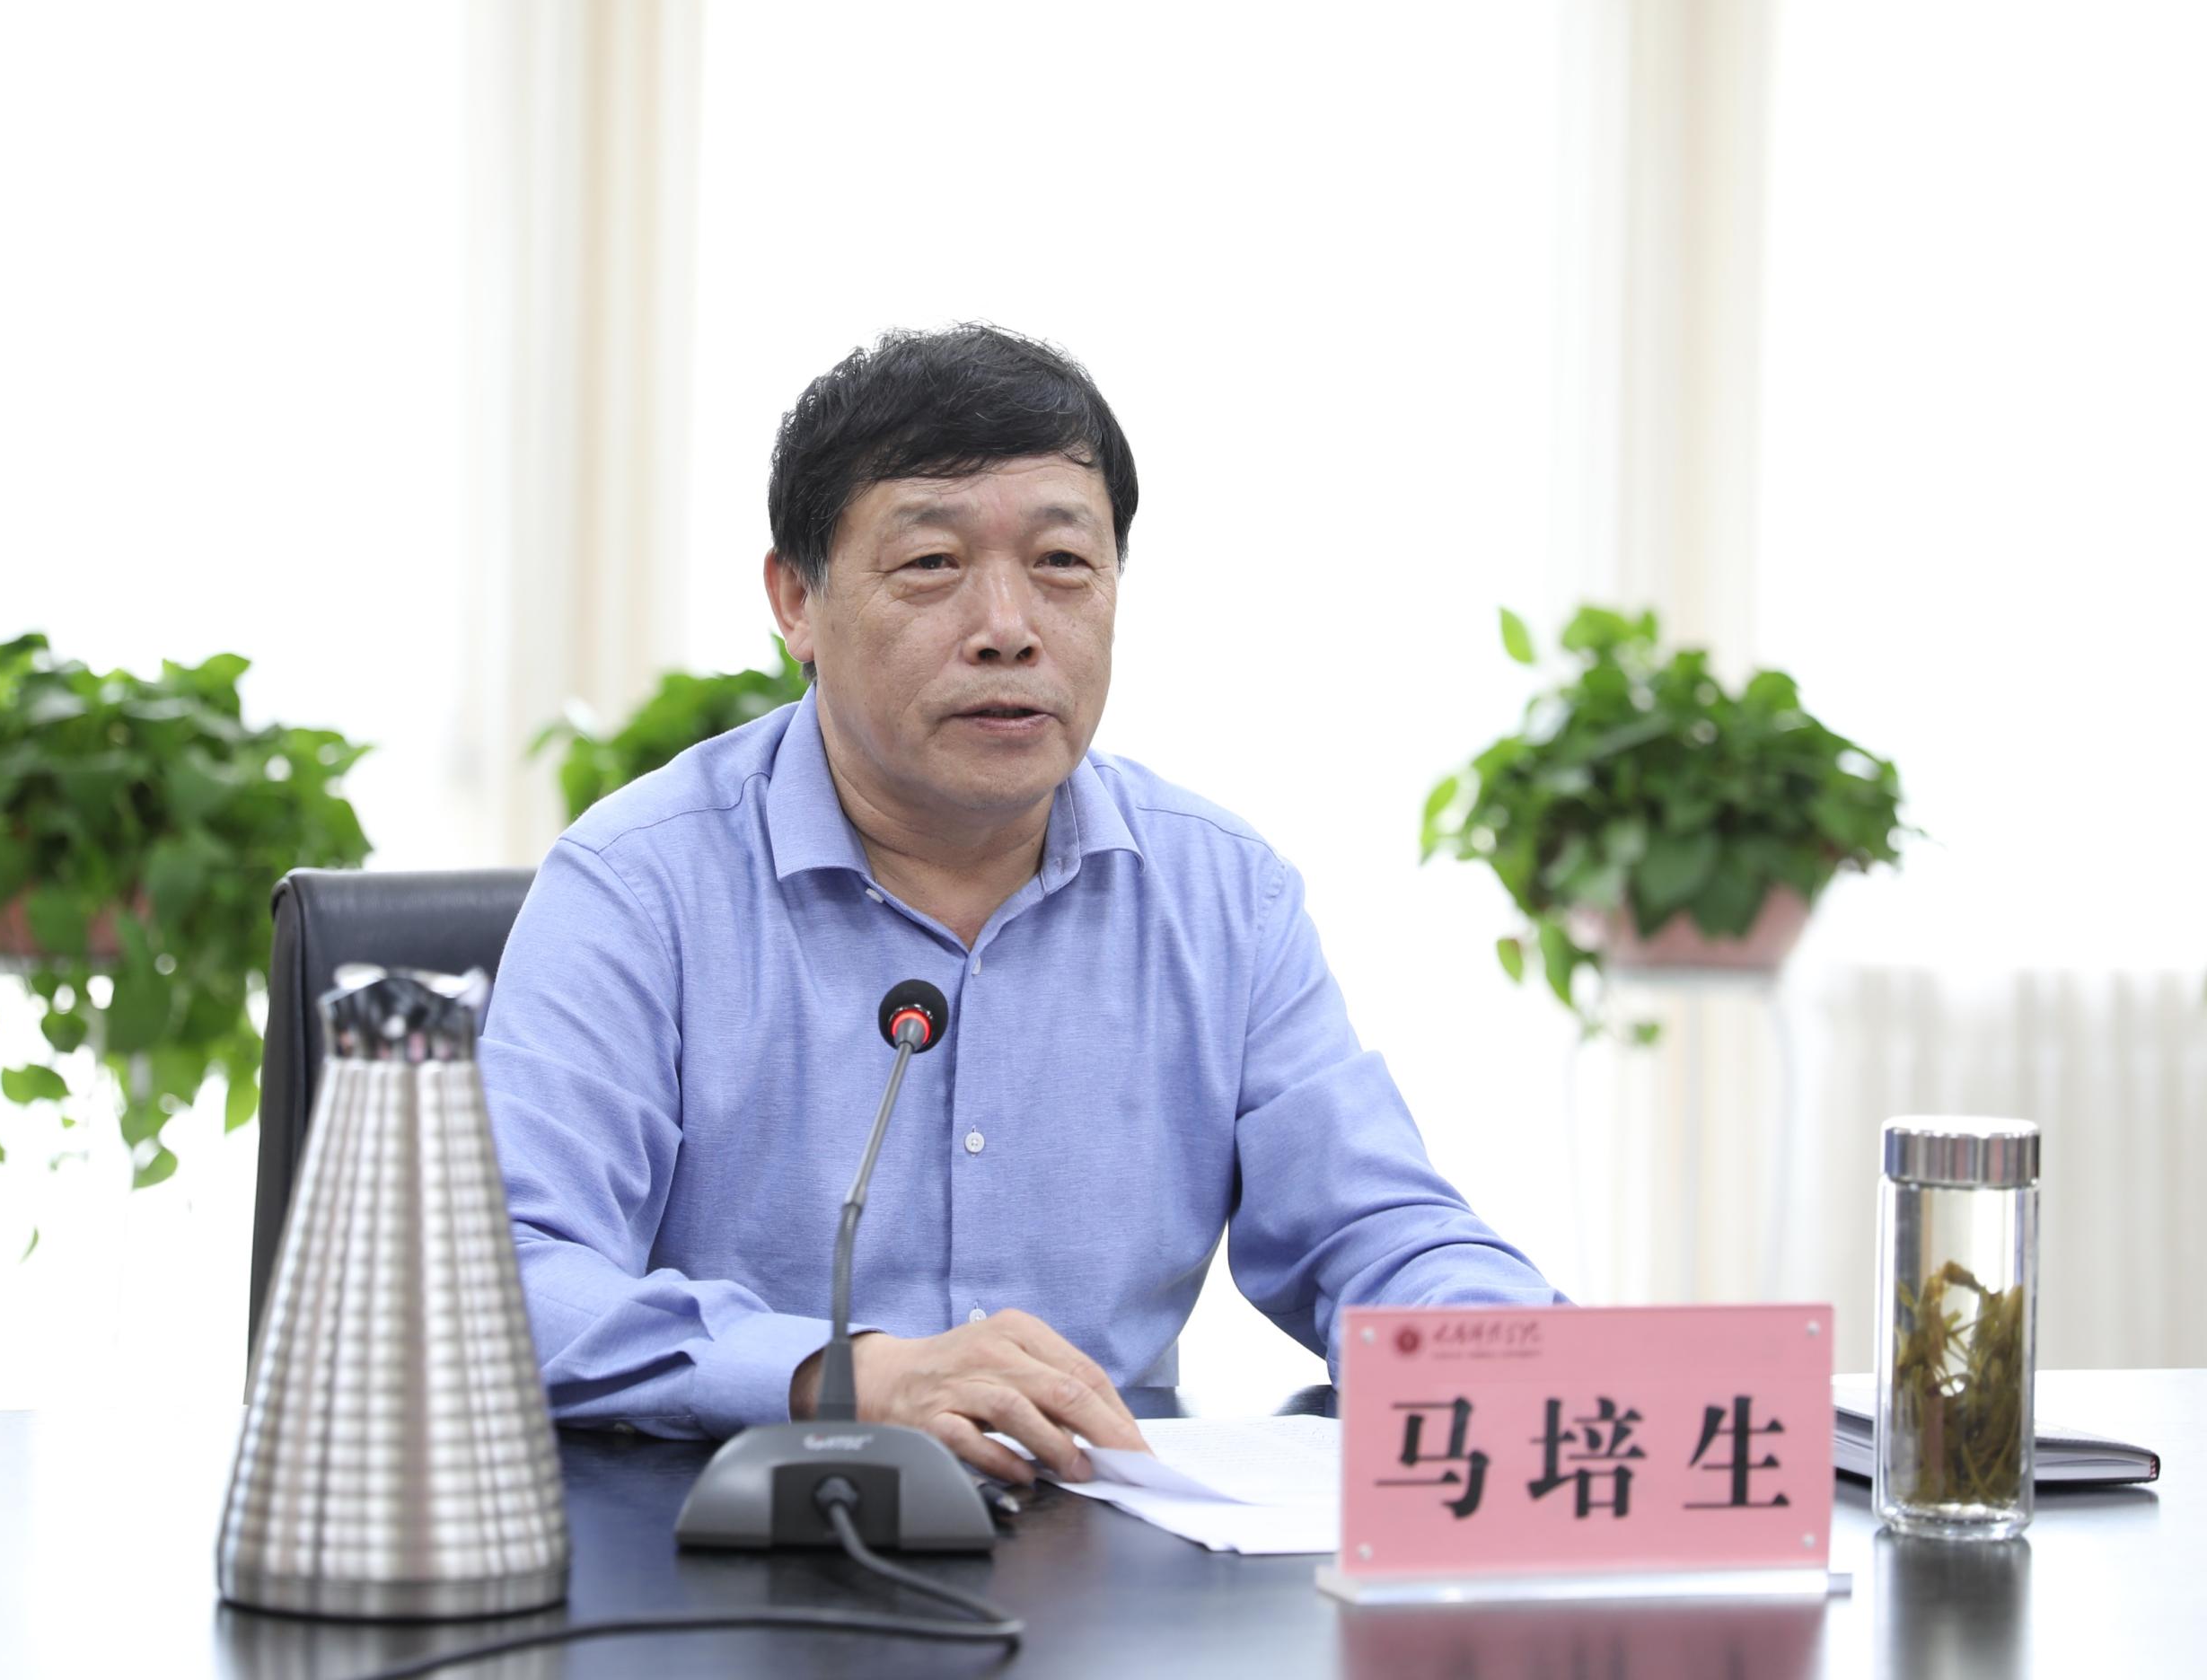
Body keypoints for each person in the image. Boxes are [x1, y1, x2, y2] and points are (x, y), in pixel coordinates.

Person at [479, 324, 1564, 1486]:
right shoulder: (639, 886)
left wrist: (1520, 1359)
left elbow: (1376, 1229)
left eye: (1061, 563)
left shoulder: (1221, 894)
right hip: (732, 1539)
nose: (1008, 628)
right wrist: (842, 1374)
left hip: (1103, 1538)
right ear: (797, 600)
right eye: (931, 564)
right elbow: (504, 1278)